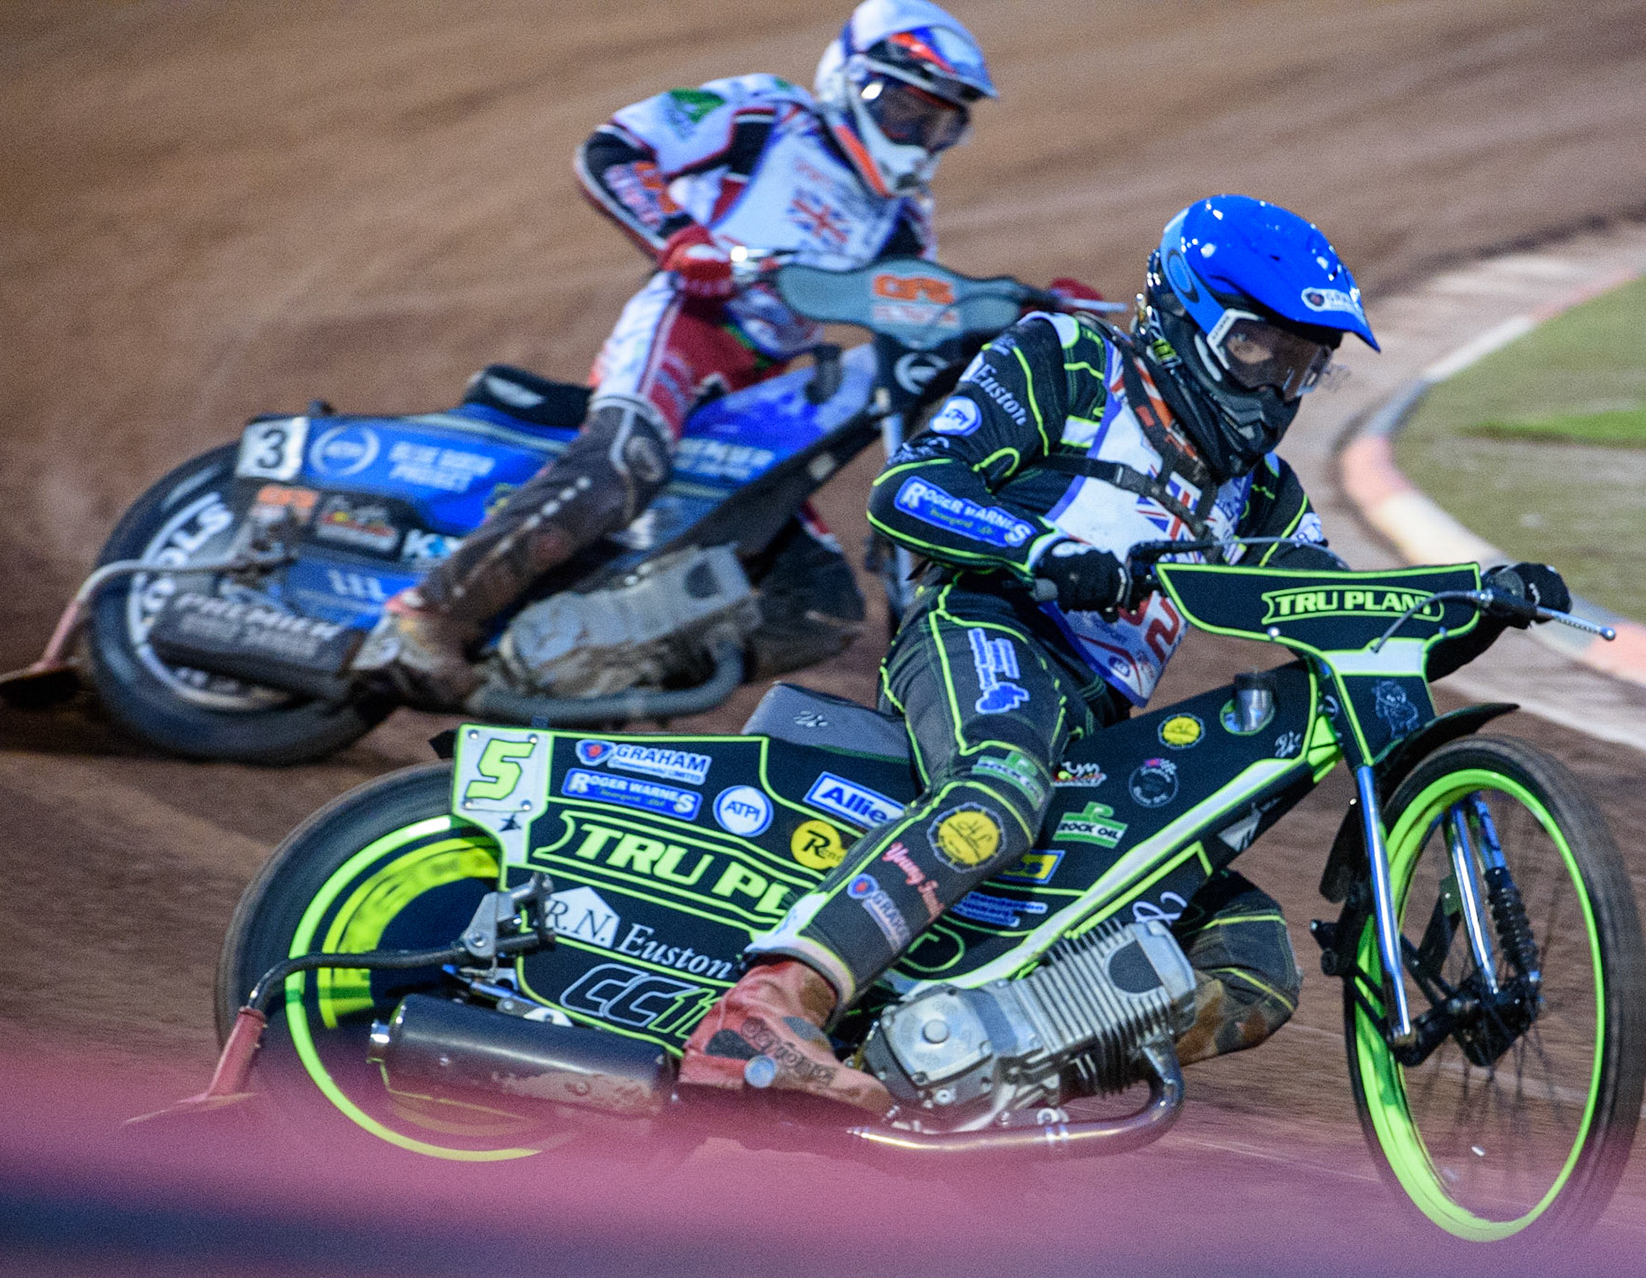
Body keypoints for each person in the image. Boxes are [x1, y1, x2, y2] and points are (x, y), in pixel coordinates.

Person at [677, 194, 1570, 1111]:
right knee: (999, 787)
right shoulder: (1068, 359)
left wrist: (1475, 604)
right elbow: (909, 489)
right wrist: (1044, 551)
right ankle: (762, 1010)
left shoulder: (1264, 493)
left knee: (1254, 962)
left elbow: (1344, 621)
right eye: (1257, 351)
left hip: (1098, 725)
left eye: (1300, 366)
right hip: (982, 629)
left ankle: (968, 1082)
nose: (1274, 390)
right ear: (1183, 319)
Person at [355, 0, 998, 704]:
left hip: (765, 389)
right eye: (905, 108)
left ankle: (558, 674)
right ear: (852, 81)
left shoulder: (903, 215)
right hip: (685, 325)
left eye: (940, 121)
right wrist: (681, 238)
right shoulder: (768, 113)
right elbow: (613, 149)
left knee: (818, 605)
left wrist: (1024, 309)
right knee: (623, 464)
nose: (919, 133)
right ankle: (427, 615)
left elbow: (914, 312)